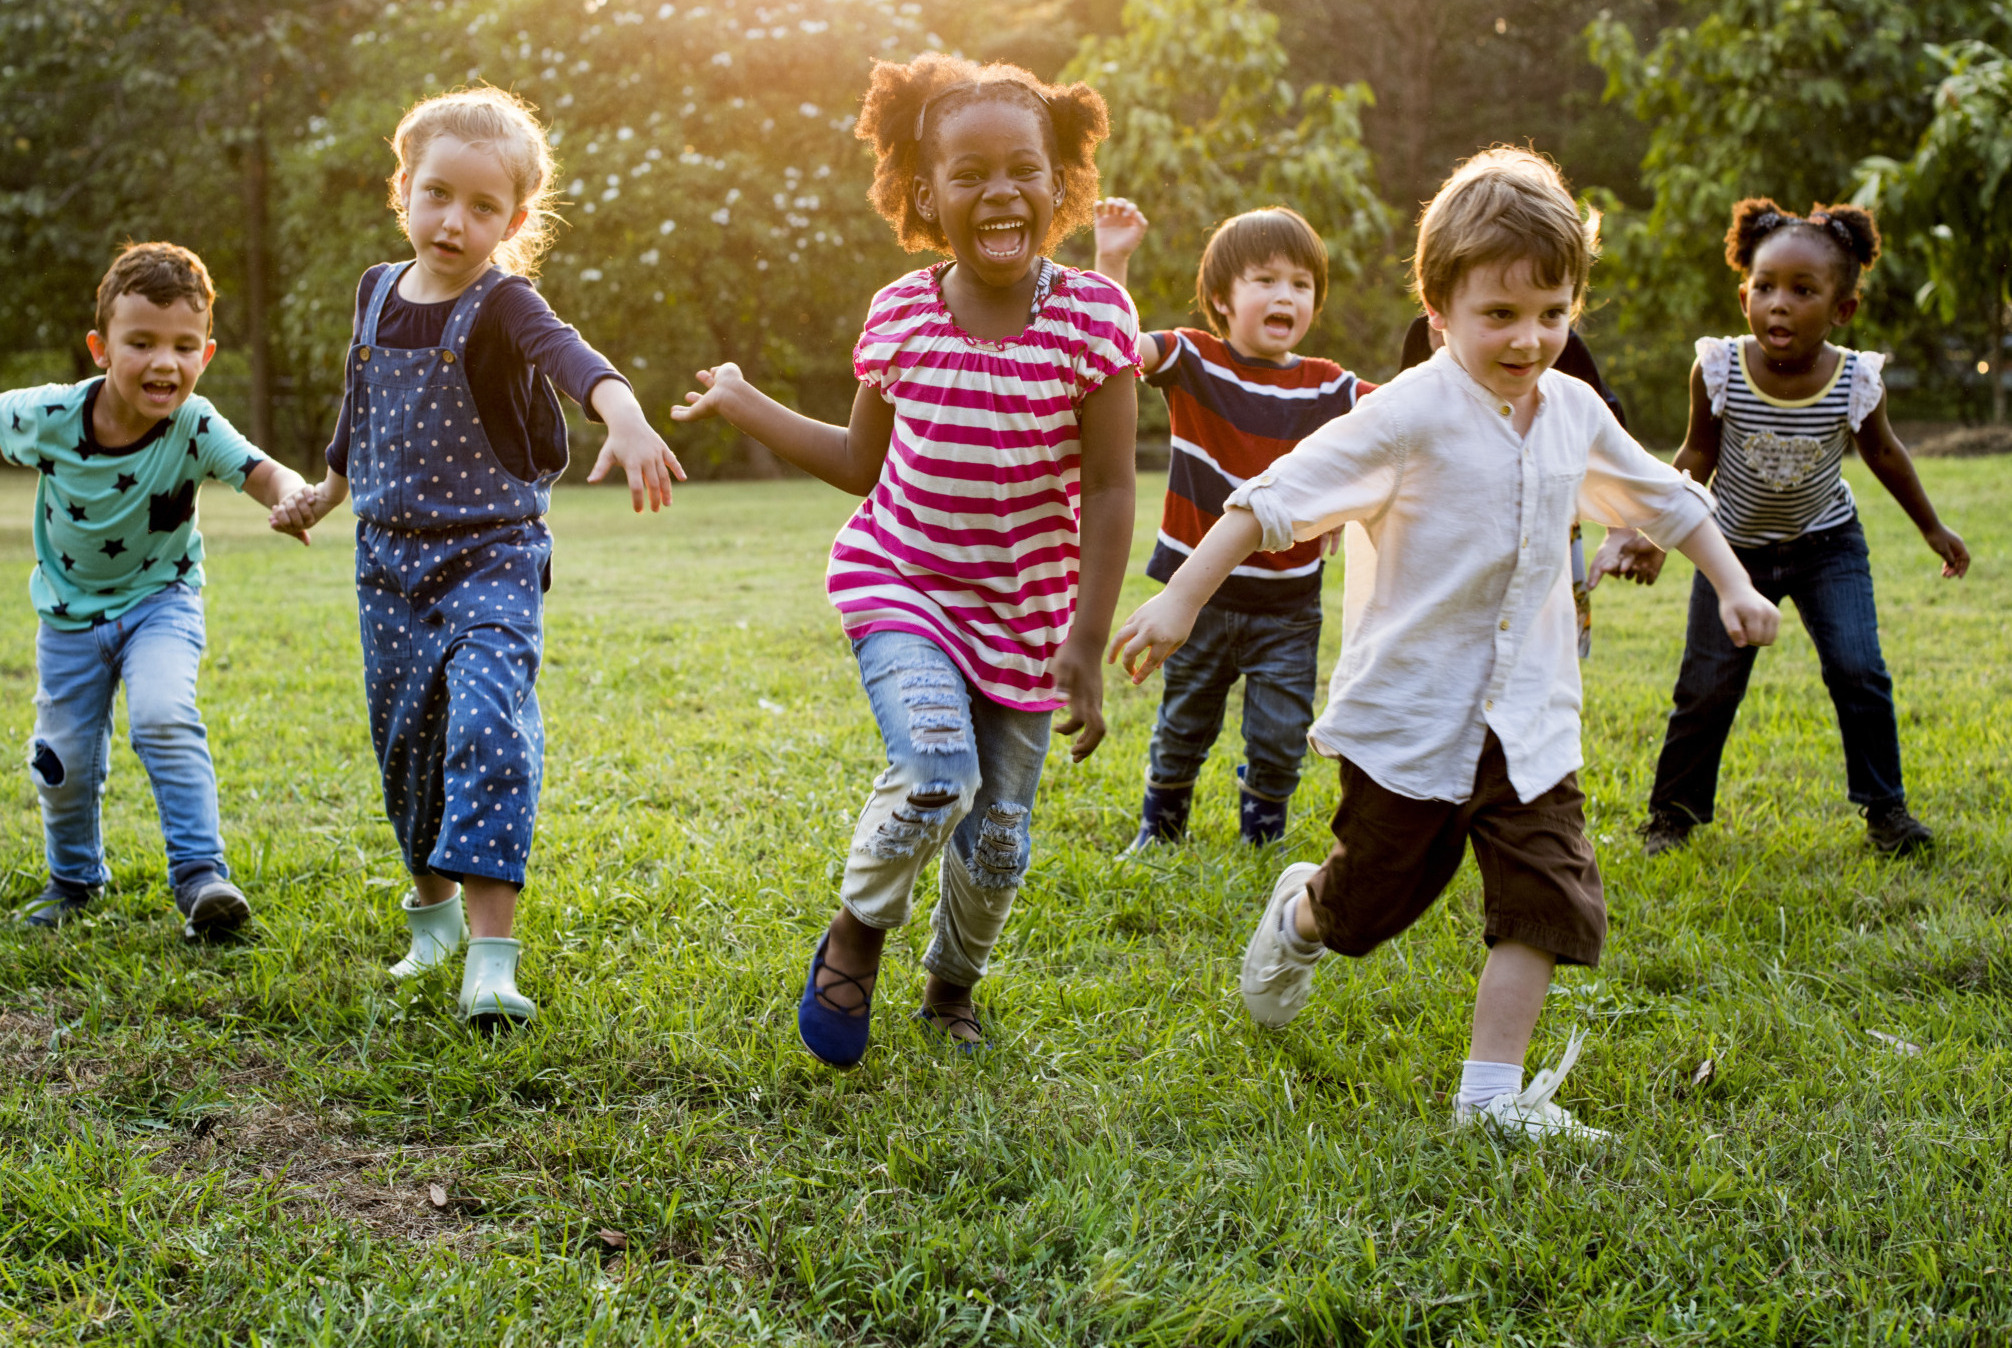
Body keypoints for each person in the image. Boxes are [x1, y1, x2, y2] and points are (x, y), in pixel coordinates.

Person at [1109, 149, 1781, 1140]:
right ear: (1438, 313)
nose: (1528, 338)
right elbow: (1269, 503)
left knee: (1546, 895)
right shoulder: (1402, 416)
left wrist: (1730, 581)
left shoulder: (1574, 413)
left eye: (1550, 312)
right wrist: (1177, 604)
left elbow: (1663, 498)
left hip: (1528, 717)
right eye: (1498, 315)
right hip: (1413, 719)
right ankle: (1302, 912)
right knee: (1366, 907)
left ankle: (1487, 1098)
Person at [672, 52, 1138, 1067]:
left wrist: (1085, 639)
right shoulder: (897, 316)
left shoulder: (1095, 322)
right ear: (928, 195)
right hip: (903, 582)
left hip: (1026, 613)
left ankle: (950, 986)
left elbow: (1107, 489)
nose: (999, 190)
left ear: (1058, 183)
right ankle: (857, 932)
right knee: (933, 773)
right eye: (969, 174)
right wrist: (747, 400)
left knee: (999, 840)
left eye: (1023, 168)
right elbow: (855, 461)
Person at [269, 87, 684, 1028]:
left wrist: (623, 411)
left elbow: (572, 357)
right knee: (407, 742)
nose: (455, 221)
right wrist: (325, 495)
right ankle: (434, 925)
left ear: (515, 219)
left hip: (492, 555)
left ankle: (492, 962)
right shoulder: (375, 292)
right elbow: (358, 412)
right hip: (386, 567)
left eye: (484, 207)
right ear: (403, 189)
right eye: (438, 194)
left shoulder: (505, 303)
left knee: (489, 724)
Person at [1597, 199, 1968, 859]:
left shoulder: (1857, 379)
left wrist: (1932, 528)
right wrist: (1653, 536)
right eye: (1765, 288)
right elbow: (1696, 458)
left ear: (1842, 309)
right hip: (1732, 554)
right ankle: (1672, 818)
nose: (1779, 304)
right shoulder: (1719, 369)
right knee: (1706, 685)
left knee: (1860, 669)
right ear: (1744, 297)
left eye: (1803, 291)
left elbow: (1884, 453)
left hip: (1829, 548)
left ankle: (1887, 813)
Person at [2, 242, 308, 937]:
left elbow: (264, 472)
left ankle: (202, 879)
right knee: (64, 760)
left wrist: (294, 498)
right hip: (68, 619)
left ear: (205, 354)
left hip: (160, 604)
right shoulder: (50, 415)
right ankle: (74, 878)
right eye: (140, 342)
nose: (163, 362)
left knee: (165, 716)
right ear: (101, 348)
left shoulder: (196, 425)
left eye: (183, 345)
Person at [1091, 200, 1369, 849]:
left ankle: (1261, 839)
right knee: (1184, 723)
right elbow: (1110, 350)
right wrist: (1112, 259)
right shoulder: (1193, 358)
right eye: (1266, 280)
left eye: (1302, 285)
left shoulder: (1330, 388)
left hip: (1288, 608)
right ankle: (1160, 832)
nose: (1287, 296)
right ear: (1221, 298)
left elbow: (1403, 422)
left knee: (1279, 732)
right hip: (1198, 602)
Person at [1402, 314, 1628, 656]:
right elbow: (1407, 421)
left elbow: (1603, 430)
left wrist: (1619, 530)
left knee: (1541, 633)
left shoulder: (1554, 341)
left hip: (1540, 507)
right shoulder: (1420, 332)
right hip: (1454, 510)